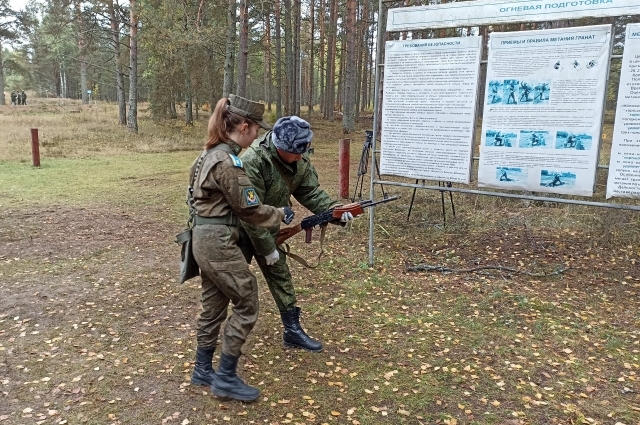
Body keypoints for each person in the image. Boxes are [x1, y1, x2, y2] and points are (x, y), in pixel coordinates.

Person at [189, 94, 294, 402]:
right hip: (219, 242)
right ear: (244, 126)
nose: (258, 135)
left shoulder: (207, 155)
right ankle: (224, 377)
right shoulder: (227, 161)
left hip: (203, 239)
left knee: (214, 304)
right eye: (256, 129)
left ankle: (202, 369)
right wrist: (280, 213)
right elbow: (249, 209)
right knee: (247, 301)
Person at [237, 115, 354, 353]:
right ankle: (215, 333)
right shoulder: (253, 161)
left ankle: (292, 331)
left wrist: (334, 211)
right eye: (296, 152)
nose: (301, 157)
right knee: (231, 283)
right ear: (279, 147)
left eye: (304, 150)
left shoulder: (299, 156)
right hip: (236, 231)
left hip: (267, 228)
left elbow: (309, 191)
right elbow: (249, 212)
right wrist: (267, 248)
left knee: (281, 276)